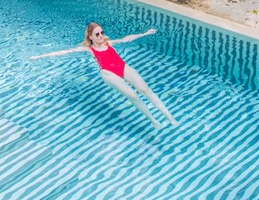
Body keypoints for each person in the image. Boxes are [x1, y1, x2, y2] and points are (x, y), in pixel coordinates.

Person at [32, 22, 177, 128]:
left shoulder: (109, 43)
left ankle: (169, 117)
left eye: (102, 32)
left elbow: (127, 38)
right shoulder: (89, 49)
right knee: (133, 96)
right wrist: (41, 57)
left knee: (145, 90)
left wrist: (145, 33)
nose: (101, 36)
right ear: (90, 36)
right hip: (108, 73)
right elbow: (66, 52)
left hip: (123, 67)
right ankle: (153, 120)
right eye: (97, 34)